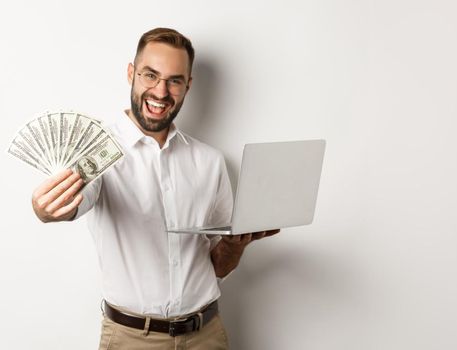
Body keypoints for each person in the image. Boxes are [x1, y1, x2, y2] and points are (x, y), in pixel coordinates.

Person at [30, 27, 279, 349]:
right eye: (150, 75)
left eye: (174, 80)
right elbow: (74, 203)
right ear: (131, 73)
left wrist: (235, 246)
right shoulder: (95, 151)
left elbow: (218, 265)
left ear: (188, 85)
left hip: (207, 334)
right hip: (132, 339)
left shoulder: (209, 160)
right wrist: (47, 210)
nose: (161, 92)